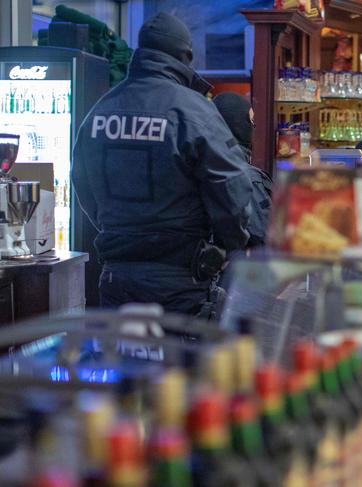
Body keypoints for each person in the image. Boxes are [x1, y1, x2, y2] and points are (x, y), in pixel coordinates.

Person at [71, 12, 253, 316]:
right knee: (179, 362)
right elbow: (231, 187)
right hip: (180, 280)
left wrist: (118, 230)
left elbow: (82, 183)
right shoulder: (194, 112)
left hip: (117, 276)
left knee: (124, 359)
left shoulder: (100, 111)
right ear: (185, 56)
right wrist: (229, 244)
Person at [213, 92, 272, 248]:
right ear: (238, 124)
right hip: (246, 267)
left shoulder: (207, 166)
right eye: (251, 122)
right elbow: (265, 235)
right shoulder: (247, 176)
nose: (254, 129)